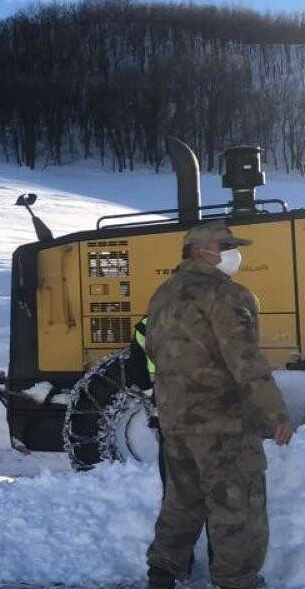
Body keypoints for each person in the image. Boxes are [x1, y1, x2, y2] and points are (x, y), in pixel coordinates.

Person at [144, 220, 293, 589]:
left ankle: (162, 572)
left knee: (182, 501)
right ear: (199, 251)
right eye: (224, 246)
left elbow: (152, 350)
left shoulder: (162, 295)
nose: (233, 254)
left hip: (177, 422)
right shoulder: (226, 295)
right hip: (224, 424)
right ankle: (237, 581)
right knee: (237, 507)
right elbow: (246, 360)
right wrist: (276, 413)